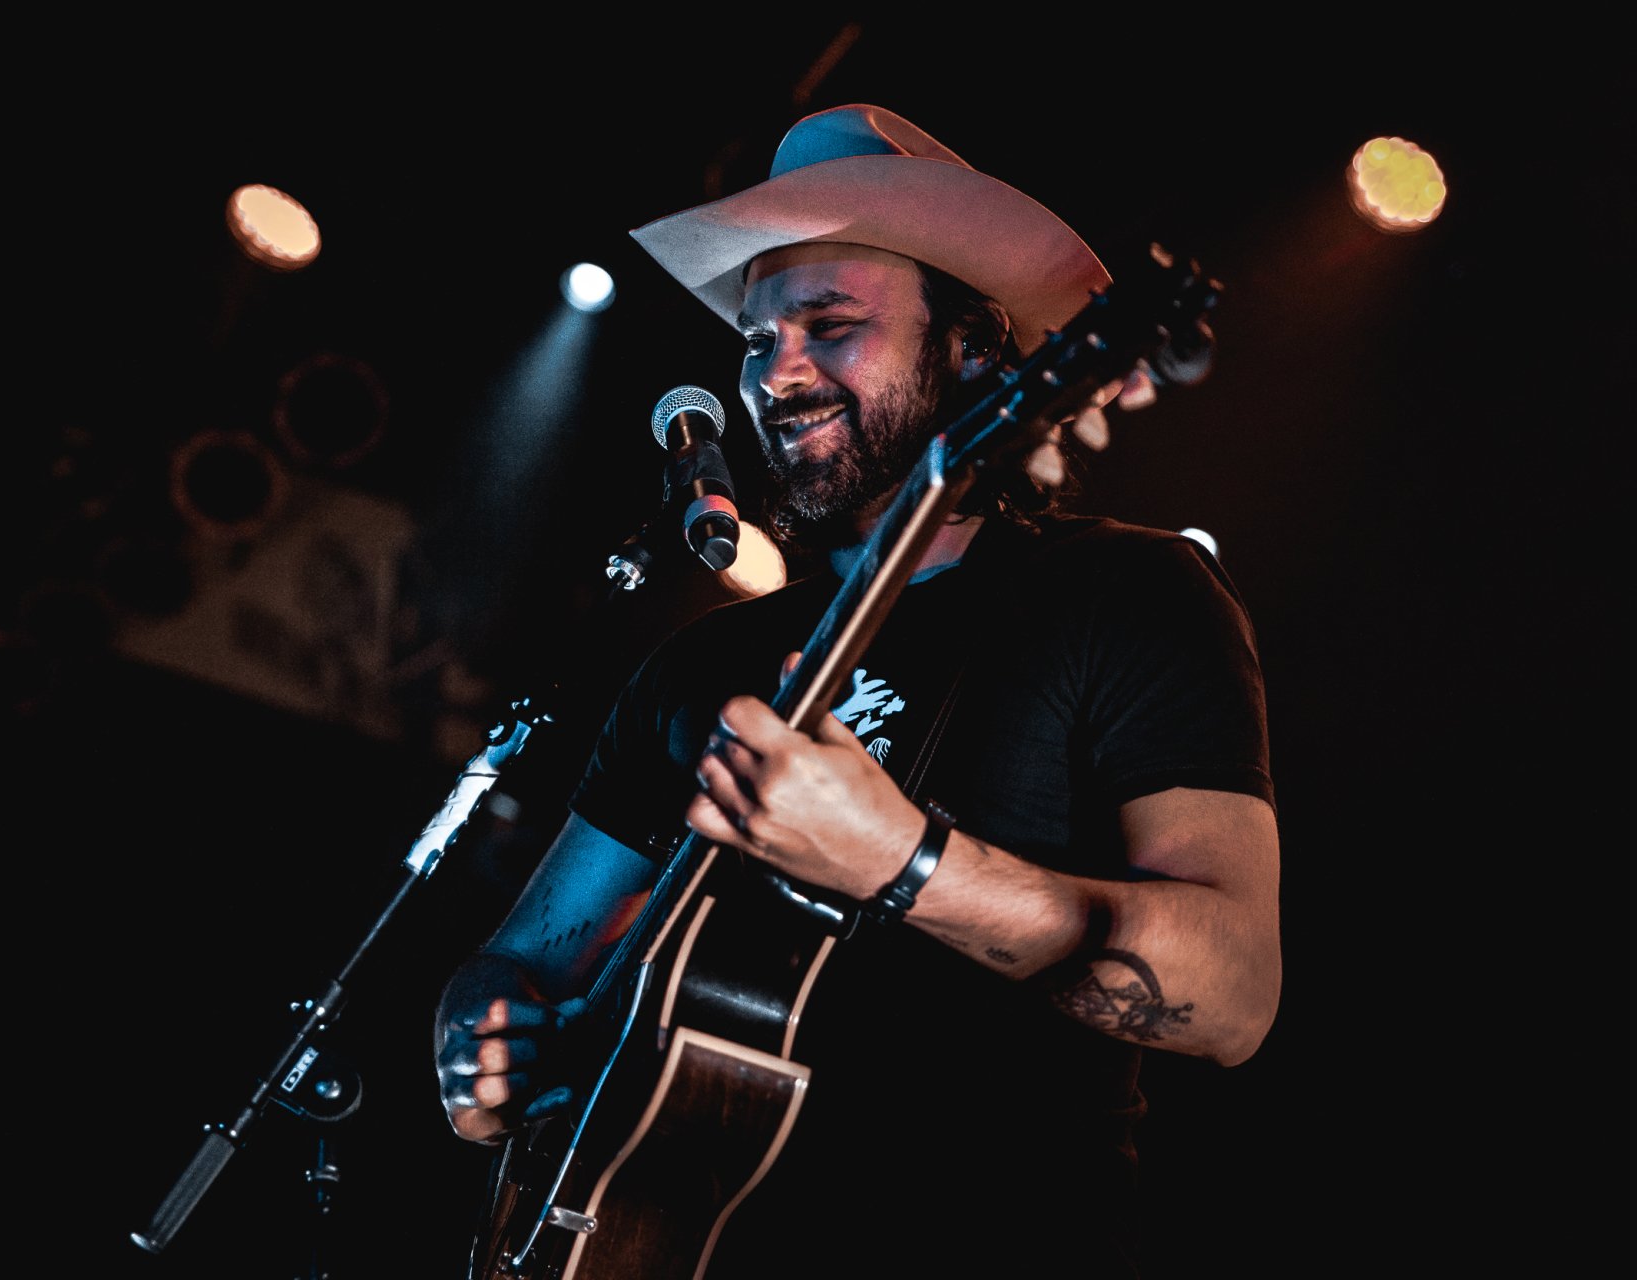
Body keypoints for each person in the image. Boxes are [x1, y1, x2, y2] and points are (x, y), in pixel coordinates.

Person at [433, 103, 1280, 1278]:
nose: (776, 370)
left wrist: (905, 862)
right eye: (755, 339)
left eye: (830, 324)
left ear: (975, 349)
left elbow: (1235, 990)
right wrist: (480, 1025)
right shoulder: (700, 663)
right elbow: (526, 958)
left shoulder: (1124, 591)